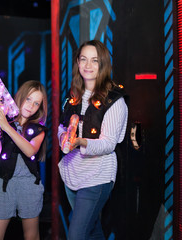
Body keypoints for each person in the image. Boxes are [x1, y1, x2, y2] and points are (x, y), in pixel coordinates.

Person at [58, 40, 128, 240]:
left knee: (76, 235)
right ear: (78, 63)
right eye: (83, 59)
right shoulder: (73, 97)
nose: (88, 65)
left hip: (97, 177)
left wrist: (80, 142)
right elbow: (61, 127)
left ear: (103, 64)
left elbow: (108, 144)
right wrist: (63, 136)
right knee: (93, 231)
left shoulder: (115, 100)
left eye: (94, 60)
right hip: (72, 175)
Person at [0, 80, 48, 240]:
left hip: (29, 185)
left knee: (32, 236)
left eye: (36, 103)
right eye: (28, 99)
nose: (31, 106)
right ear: (19, 97)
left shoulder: (38, 129)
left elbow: (29, 150)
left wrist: (7, 127)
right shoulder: (2, 120)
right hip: (4, 184)